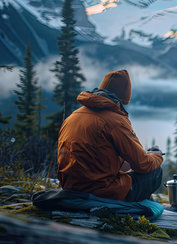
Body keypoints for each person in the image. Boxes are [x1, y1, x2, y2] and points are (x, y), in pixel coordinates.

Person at [57, 69, 163, 202]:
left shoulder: (73, 116)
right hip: (101, 192)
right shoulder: (115, 120)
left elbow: (97, 156)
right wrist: (157, 155)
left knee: (127, 167)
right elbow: (143, 165)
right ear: (123, 96)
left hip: (70, 187)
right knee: (155, 171)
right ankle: (133, 212)